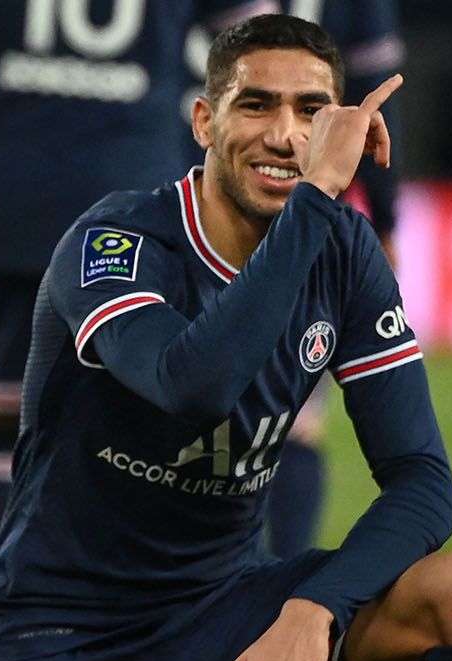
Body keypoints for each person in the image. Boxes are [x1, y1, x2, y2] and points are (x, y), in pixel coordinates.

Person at [0, 15, 452, 661]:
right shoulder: (117, 243)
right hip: (66, 644)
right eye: (256, 105)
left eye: (312, 112)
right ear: (204, 122)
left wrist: (315, 606)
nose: (284, 135)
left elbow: (423, 479)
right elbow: (194, 386)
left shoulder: (342, 250)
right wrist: (318, 197)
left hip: (230, 615)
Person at [0, 0, 281, 572]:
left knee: (3, 430)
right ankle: (154, 644)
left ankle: (7, 649)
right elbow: (258, 49)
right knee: (154, 435)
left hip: (12, 207)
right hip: (141, 210)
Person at [179, 0, 407, 558]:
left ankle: (239, 588)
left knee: (185, 416)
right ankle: (269, 585)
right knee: (295, 422)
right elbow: (374, 81)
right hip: (299, 191)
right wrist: (385, 213)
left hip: (204, 196)